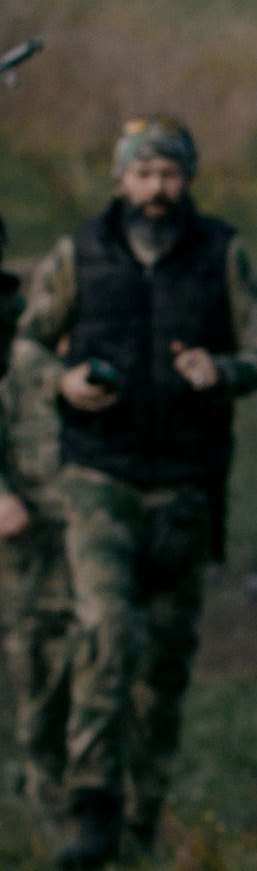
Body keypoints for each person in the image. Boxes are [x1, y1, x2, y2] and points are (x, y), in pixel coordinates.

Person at [17, 117, 257, 871]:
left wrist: (219, 371)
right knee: (105, 626)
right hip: (98, 473)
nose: (157, 189)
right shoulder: (80, 252)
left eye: (169, 174)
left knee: (165, 660)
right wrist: (61, 381)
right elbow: (31, 341)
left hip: (188, 484)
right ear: (120, 180)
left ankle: (142, 817)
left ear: (187, 178)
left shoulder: (221, 252)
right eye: (143, 174)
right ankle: (90, 803)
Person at [0, 322, 74, 832]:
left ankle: (66, 789)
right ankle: (39, 784)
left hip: (83, 528)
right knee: (32, 652)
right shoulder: (23, 357)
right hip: (23, 527)